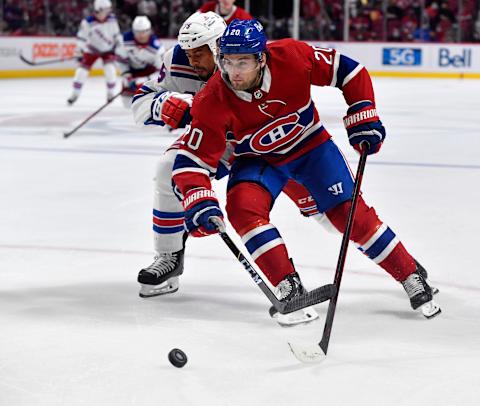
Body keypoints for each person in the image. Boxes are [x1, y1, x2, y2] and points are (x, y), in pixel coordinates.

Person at [171, 19, 441, 326]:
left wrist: (362, 112)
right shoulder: (211, 99)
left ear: (262, 57)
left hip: (311, 148)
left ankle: (409, 274)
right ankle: (289, 285)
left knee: (349, 215)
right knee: (243, 209)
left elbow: (350, 72)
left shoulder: (292, 56)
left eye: (243, 62)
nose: (234, 72)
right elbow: (191, 160)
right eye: (227, 61)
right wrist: (198, 197)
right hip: (259, 160)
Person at [131, 12, 323, 315]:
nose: (193, 61)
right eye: (190, 53)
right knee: (168, 169)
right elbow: (140, 102)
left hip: (271, 144)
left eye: (200, 53)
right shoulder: (177, 59)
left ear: (220, 46)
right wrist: (162, 102)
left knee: (326, 205)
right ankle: (169, 255)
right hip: (219, 145)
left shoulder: (250, 58)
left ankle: (393, 262)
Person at [67, 0, 122, 105]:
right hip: (92, 49)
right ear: (99, 10)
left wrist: (119, 45)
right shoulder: (88, 22)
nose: (108, 12)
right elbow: (81, 38)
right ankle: (75, 94)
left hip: (108, 50)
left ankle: (110, 93)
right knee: (81, 72)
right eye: (106, 10)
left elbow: (117, 34)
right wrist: (80, 50)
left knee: (110, 70)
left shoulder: (112, 19)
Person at [116, 16, 165, 108]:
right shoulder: (125, 41)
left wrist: (145, 80)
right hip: (132, 72)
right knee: (126, 103)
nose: (141, 35)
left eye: (144, 31)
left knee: (147, 105)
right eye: (138, 32)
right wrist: (127, 76)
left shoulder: (157, 48)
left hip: (149, 75)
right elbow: (121, 61)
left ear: (149, 31)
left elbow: (162, 71)